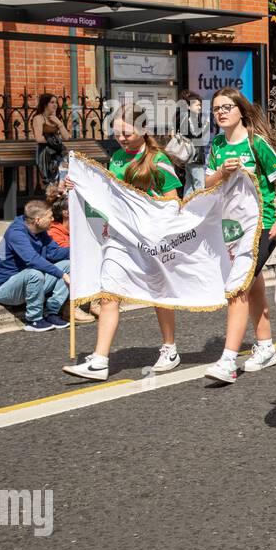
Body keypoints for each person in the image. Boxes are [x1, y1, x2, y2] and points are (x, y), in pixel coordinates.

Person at [63, 109, 183, 381]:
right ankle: (100, 360)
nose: (121, 138)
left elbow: (173, 200)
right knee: (109, 295)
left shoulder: (158, 160)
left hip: (149, 239)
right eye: (116, 133)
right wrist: (76, 185)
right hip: (120, 238)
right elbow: (106, 194)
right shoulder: (116, 158)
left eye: (126, 133)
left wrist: (157, 226)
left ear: (143, 131)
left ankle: (169, 348)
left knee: (159, 295)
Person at [200, 88, 276, 384]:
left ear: (241, 110)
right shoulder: (216, 145)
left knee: (237, 287)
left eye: (227, 107)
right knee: (251, 285)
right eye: (216, 109)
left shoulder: (257, 144)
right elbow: (207, 183)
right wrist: (222, 173)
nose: (221, 112)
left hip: (262, 225)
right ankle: (265, 346)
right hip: (232, 227)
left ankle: (228, 361)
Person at [0, 199, 71, 332]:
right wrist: (61, 274)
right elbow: (32, 260)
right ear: (38, 220)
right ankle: (33, 320)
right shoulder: (16, 233)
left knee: (69, 265)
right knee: (34, 273)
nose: (52, 219)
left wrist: (77, 249)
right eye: (50, 217)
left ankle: (51, 312)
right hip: (5, 289)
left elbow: (54, 253)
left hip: (30, 284)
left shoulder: (40, 231)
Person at [31, 93, 69, 187]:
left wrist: (59, 123)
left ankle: (61, 193)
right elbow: (39, 138)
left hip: (58, 150)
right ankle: (53, 195)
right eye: (52, 102)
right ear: (45, 104)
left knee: (63, 177)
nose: (55, 105)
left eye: (56, 102)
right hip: (45, 153)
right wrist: (54, 139)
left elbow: (66, 137)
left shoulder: (56, 119)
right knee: (52, 181)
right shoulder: (38, 118)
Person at [177, 90, 209, 195]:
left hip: (187, 156)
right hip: (194, 156)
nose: (200, 107)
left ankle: (187, 206)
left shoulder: (183, 118)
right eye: (198, 105)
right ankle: (199, 206)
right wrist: (205, 125)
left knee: (189, 184)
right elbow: (195, 134)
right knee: (199, 183)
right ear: (189, 106)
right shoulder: (191, 118)